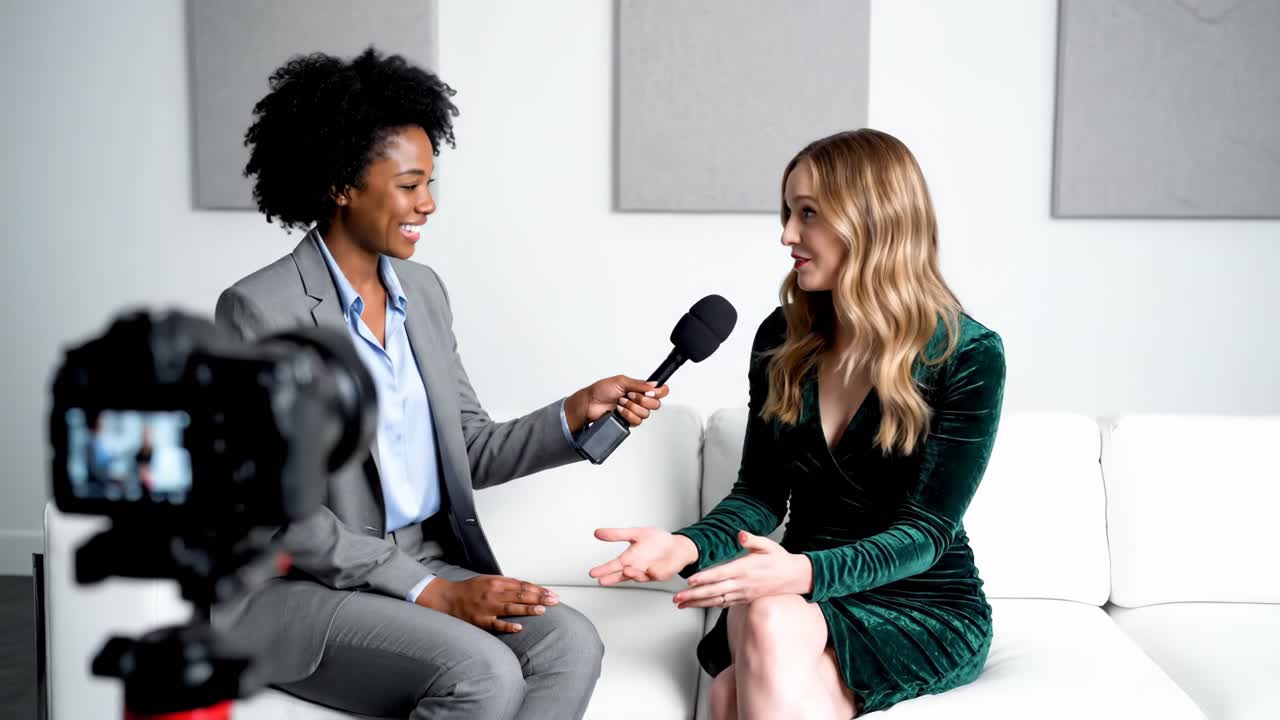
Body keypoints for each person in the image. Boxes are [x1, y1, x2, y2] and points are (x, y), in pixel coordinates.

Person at [214, 48, 668, 720]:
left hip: (421, 558)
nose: (428, 203)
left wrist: (577, 412)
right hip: (298, 590)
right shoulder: (259, 310)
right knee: (481, 671)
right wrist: (429, 590)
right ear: (341, 185)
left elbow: (469, 448)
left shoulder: (422, 293)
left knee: (570, 641)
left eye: (430, 181)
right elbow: (283, 515)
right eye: (408, 184)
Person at [590, 129, 1005, 718]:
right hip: (791, 593)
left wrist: (801, 571)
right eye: (789, 211)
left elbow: (927, 532)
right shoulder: (781, 338)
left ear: (872, 220)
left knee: (734, 691)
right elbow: (759, 496)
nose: (786, 234)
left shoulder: (967, 353)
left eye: (808, 213)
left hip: (919, 603)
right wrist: (684, 545)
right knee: (764, 615)